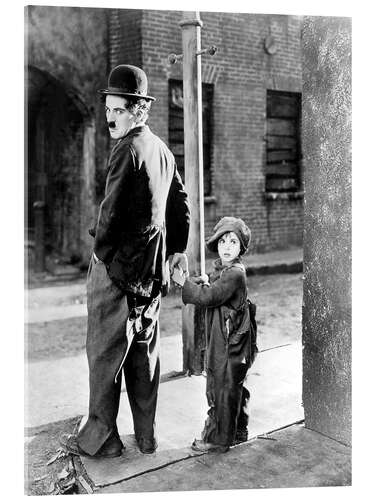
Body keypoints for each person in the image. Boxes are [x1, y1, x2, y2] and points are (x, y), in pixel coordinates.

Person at [61, 64, 190, 458]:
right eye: (108, 110)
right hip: (150, 278)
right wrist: (175, 252)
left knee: (104, 358)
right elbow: (181, 207)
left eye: (118, 110)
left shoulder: (127, 150)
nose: (110, 118)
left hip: (116, 276)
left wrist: (99, 252)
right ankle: (147, 437)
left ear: (139, 110)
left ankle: (104, 442)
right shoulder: (163, 151)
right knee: (143, 359)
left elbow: (110, 213)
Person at [179, 216, 257, 453]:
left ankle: (218, 439)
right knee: (235, 386)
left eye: (233, 242)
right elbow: (216, 285)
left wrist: (184, 283)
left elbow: (209, 297)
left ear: (240, 248)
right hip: (235, 339)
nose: (226, 247)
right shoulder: (228, 271)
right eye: (222, 242)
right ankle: (238, 430)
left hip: (228, 342)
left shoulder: (235, 274)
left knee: (221, 385)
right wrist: (206, 280)